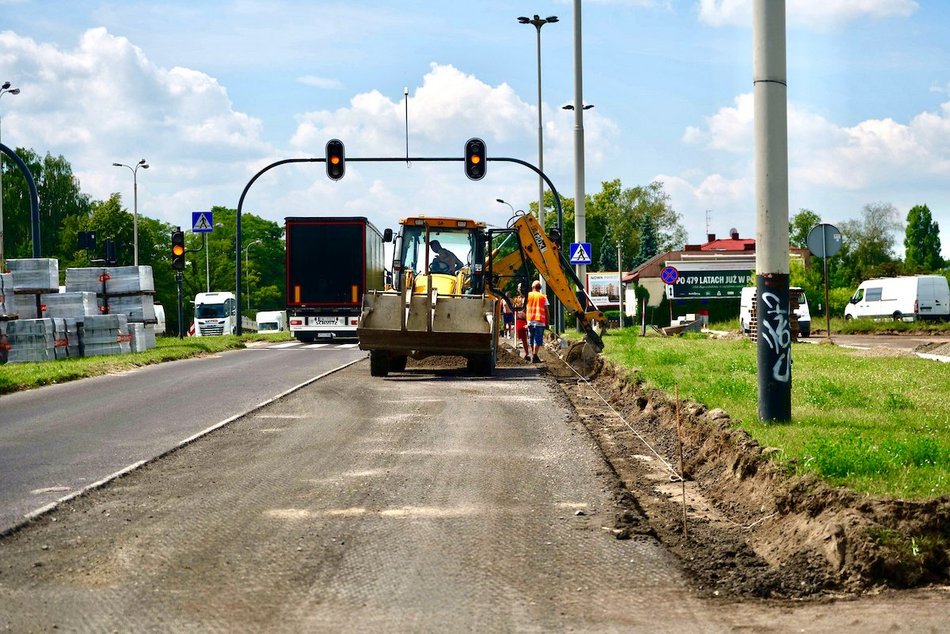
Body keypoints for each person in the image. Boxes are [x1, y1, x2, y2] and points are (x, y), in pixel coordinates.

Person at [525, 279, 548, 363]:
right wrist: (547, 323)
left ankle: (533, 355)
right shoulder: (543, 297)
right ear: (540, 288)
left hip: (530, 321)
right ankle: (534, 355)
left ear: (532, 287)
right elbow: (546, 311)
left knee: (531, 339)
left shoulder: (528, 295)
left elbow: (524, 308)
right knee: (538, 339)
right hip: (540, 322)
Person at [513, 283, 530, 359]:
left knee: (529, 337)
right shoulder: (517, 299)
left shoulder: (528, 299)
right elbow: (515, 311)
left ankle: (530, 353)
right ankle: (527, 353)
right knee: (522, 337)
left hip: (528, 319)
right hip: (520, 320)